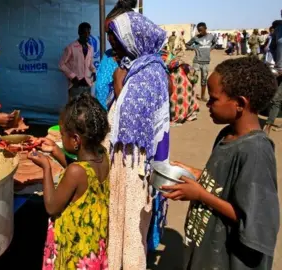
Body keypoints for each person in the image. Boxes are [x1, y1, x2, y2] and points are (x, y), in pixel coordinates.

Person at [163, 57, 279, 270]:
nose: (206, 104)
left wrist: (200, 195)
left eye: (213, 99)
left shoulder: (256, 151)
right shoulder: (227, 135)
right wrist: (198, 174)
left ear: (240, 104)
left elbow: (254, 221)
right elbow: (227, 182)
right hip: (207, 251)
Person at [105, 11, 169, 269]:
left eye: (117, 43)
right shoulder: (135, 68)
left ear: (134, 41)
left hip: (135, 166)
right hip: (122, 162)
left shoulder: (149, 74)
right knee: (117, 221)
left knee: (130, 229)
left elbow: (135, 121)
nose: (114, 50)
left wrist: (119, 87)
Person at [28, 93, 110, 269]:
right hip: (94, 247)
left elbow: (51, 206)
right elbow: (82, 173)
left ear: (75, 140)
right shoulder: (103, 155)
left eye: (62, 133)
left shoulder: (75, 172)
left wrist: (46, 167)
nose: (60, 137)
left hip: (76, 253)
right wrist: (56, 152)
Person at [94, 0, 137, 109]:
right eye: (107, 33)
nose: (108, 39)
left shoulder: (141, 60)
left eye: (112, 33)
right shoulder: (107, 56)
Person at [59, 22, 96, 100]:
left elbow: (90, 64)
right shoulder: (71, 47)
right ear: (79, 32)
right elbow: (61, 65)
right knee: (74, 110)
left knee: (86, 109)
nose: (87, 35)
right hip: (75, 85)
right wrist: (73, 76)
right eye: (84, 32)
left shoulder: (90, 48)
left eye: (88, 32)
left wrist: (94, 72)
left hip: (87, 84)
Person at [162, 51, 200, 125]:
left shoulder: (172, 68)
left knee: (177, 98)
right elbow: (194, 78)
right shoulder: (184, 66)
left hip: (178, 83)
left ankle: (179, 116)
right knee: (186, 96)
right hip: (184, 81)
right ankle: (188, 113)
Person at [186, 22, 217, 102]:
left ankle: (202, 96)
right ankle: (190, 96)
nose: (199, 32)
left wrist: (210, 48)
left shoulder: (211, 36)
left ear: (205, 29)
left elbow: (215, 43)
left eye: (201, 30)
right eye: (198, 30)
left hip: (206, 62)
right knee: (192, 79)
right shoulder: (196, 38)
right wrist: (194, 48)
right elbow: (187, 44)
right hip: (196, 61)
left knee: (204, 80)